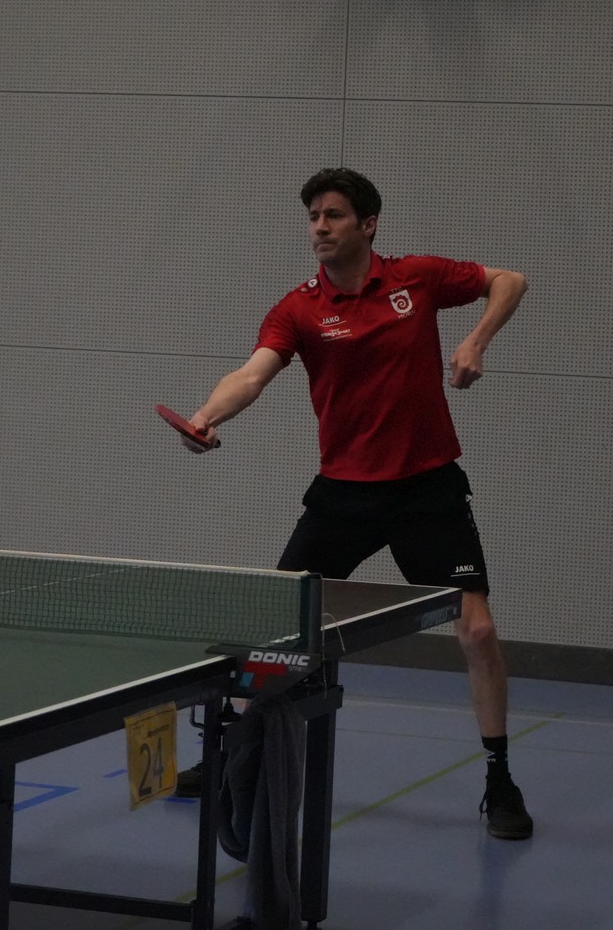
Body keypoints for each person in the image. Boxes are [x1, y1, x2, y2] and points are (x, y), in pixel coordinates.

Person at [174, 167, 533, 840]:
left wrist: (476, 339)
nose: (319, 226)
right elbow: (252, 373)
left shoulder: (416, 279)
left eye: (333, 214)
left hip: (427, 489)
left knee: (478, 631)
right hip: (344, 493)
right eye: (313, 216)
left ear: (367, 224)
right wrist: (206, 416)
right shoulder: (299, 308)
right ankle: (230, 752)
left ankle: (500, 776)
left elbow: (508, 280)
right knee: (276, 626)